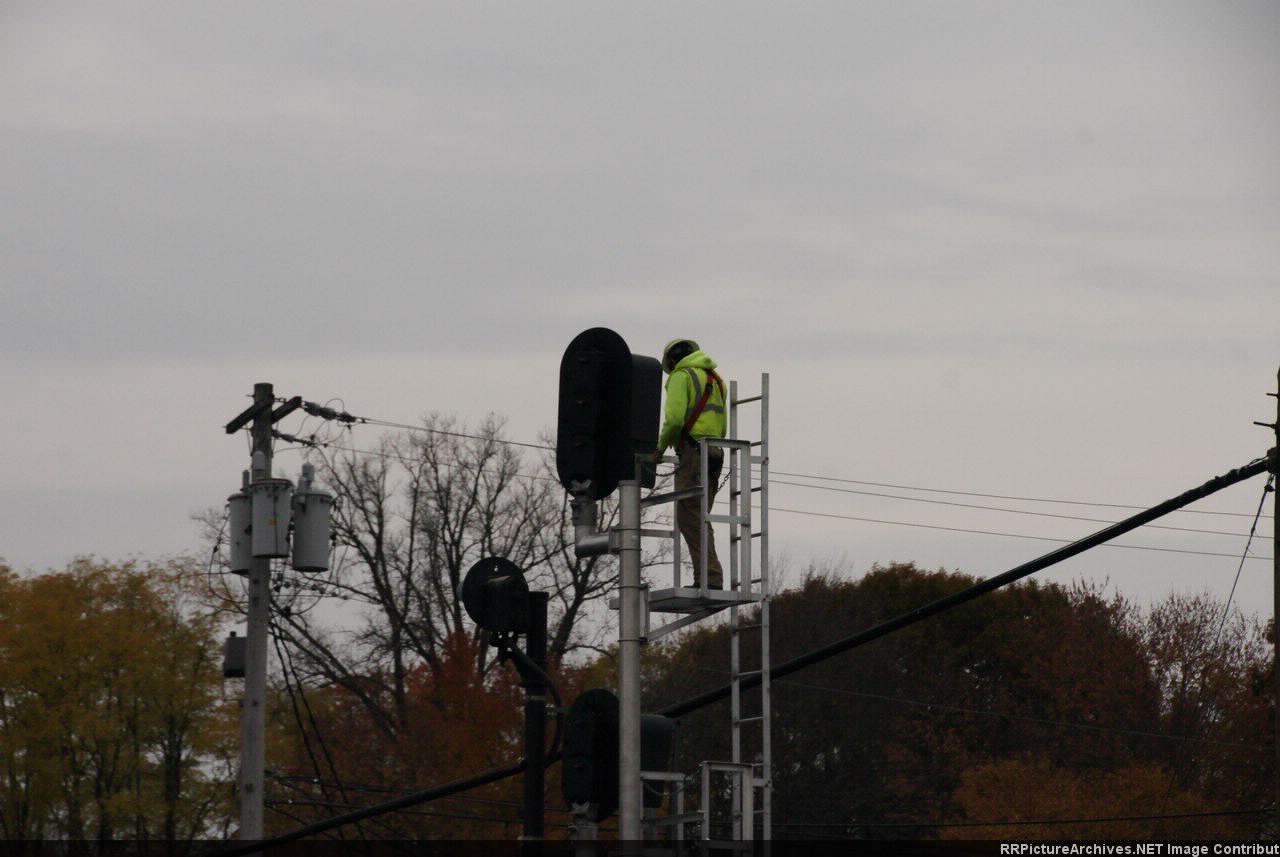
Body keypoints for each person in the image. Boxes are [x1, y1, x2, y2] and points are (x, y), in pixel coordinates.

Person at [656, 338, 727, 590]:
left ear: (672, 361)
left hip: (694, 452)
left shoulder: (681, 376)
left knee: (689, 516)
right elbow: (723, 424)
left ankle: (709, 578)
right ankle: (708, 578)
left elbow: (674, 421)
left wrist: (659, 450)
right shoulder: (715, 379)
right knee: (700, 516)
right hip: (716, 452)